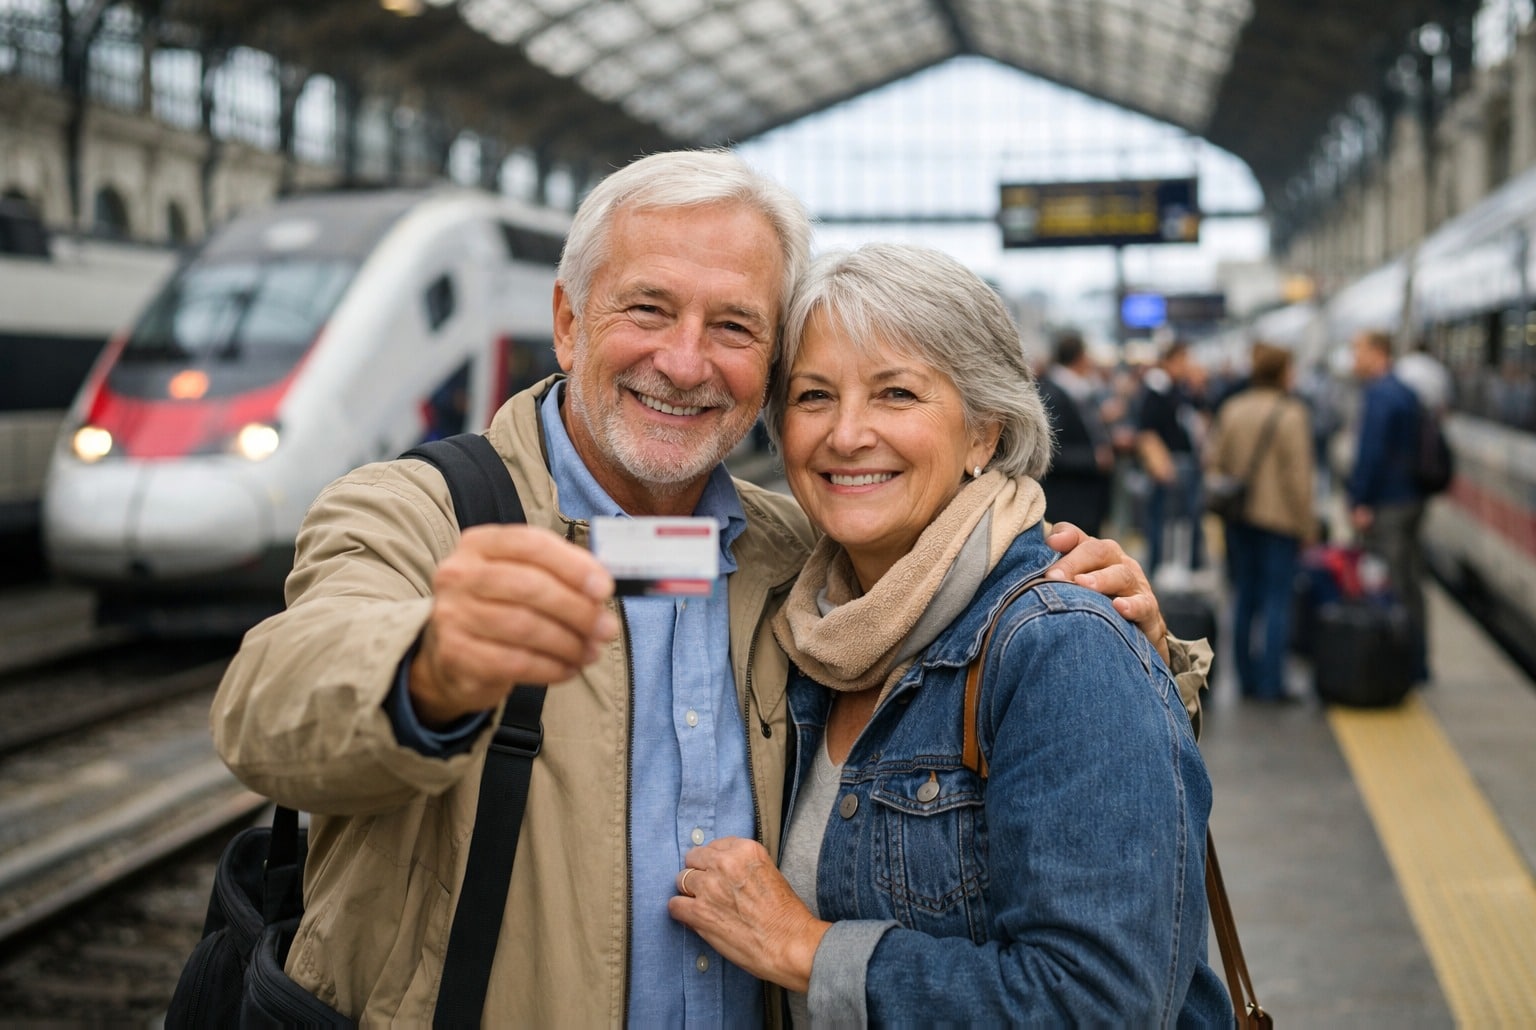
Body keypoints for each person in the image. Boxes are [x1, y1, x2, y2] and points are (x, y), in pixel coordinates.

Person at [209, 150, 1205, 1024]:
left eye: (733, 325)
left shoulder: (798, 562)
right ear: (567, 322)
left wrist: (1135, 647)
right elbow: (270, 702)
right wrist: (425, 669)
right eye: (646, 308)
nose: (684, 363)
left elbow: (1038, 719)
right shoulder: (421, 513)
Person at [668, 243, 1228, 1024]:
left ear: (984, 434)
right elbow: (612, 555)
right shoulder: (801, 627)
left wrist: (806, 949)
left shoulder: (1061, 644)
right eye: (813, 396)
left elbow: (1102, 1006)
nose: (848, 433)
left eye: (897, 394)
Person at [1204, 341, 1316, 702]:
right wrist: (1308, 526)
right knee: (1277, 600)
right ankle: (1271, 682)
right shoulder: (1291, 413)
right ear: (1283, 373)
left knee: (1244, 596)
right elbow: (1298, 478)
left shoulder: (1233, 408)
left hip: (1238, 518)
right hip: (1279, 522)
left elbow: (1215, 462)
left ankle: (1245, 678)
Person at [1347, 328, 1430, 682]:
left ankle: (1399, 663)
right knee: (1411, 582)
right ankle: (1418, 660)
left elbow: (1372, 453)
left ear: (1377, 352)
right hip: (1411, 498)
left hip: (1387, 503)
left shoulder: (1379, 395)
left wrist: (1361, 499)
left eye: (1358, 351)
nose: (1354, 360)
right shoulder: (1406, 391)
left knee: (1389, 584)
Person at [1135, 339, 1207, 575]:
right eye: (1182, 360)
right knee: (1165, 518)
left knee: (1183, 517)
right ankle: (1160, 566)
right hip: (1169, 462)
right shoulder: (1157, 389)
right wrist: (1158, 461)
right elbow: (1147, 429)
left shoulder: (1179, 389)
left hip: (1184, 461)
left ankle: (1182, 566)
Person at [1036, 327, 1115, 534]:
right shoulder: (1053, 394)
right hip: (1068, 503)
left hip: (1083, 500)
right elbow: (1050, 452)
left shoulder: (1075, 390)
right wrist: (1093, 459)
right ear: (1080, 357)